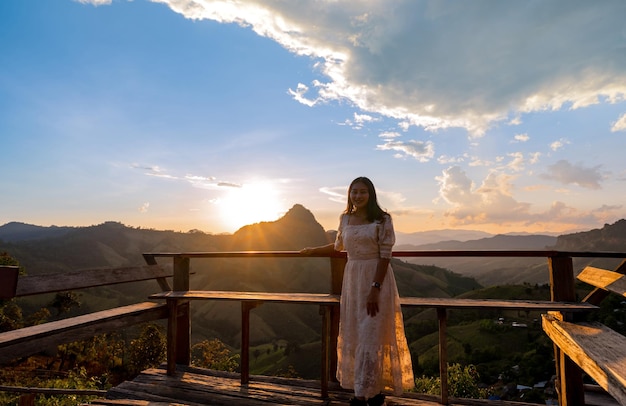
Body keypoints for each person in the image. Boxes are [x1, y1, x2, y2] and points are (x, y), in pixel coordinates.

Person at [301, 177, 414, 406]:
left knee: (373, 334)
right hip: (352, 281)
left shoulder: (383, 219)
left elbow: (385, 256)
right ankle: (371, 391)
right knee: (357, 333)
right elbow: (338, 247)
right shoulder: (345, 218)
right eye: (354, 192)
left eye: (363, 192)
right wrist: (312, 250)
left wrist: (375, 288)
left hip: (375, 280)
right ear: (349, 194)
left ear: (371, 194)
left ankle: (363, 395)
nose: (358, 196)